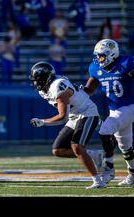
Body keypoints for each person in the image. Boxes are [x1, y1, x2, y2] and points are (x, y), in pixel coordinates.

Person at [29, 61, 106, 189]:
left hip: (87, 112)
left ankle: (98, 181)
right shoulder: (44, 89)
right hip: (74, 115)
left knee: (76, 147)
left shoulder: (57, 87)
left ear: (45, 79)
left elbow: (62, 117)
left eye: (36, 80)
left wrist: (42, 122)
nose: (34, 83)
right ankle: (94, 154)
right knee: (57, 150)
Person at [82, 39, 134, 186]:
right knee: (125, 145)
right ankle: (133, 173)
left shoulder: (127, 63)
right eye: (97, 56)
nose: (99, 59)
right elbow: (90, 89)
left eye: (101, 56)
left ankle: (109, 169)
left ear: (111, 54)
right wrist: (79, 93)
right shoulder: (95, 68)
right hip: (115, 109)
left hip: (130, 105)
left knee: (105, 130)